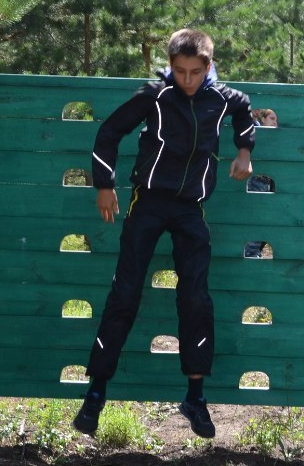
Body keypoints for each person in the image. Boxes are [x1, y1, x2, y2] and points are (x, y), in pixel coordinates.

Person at [74, 28, 254, 439]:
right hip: (148, 203)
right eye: (180, 71)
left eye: (195, 72)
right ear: (170, 66)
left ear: (208, 66)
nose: (187, 80)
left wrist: (245, 151)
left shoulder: (221, 98)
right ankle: (96, 392)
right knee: (125, 293)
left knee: (196, 298)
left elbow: (244, 110)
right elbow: (109, 132)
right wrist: (104, 184)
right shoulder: (154, 95)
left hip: (191, 208)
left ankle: (195, 397)